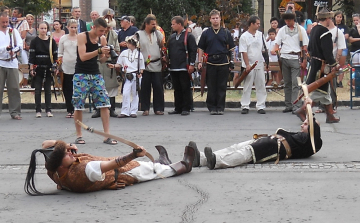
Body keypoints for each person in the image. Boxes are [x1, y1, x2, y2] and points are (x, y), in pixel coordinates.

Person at [190, 97, 322, 170]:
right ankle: (201, 159)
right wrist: (306, 105)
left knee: (246, 153)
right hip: (271, 141)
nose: (301, 125)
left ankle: (216, 162)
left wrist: (310, 107)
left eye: (305, 124)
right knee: (236, 147)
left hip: (276, 148)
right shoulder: (304, 137)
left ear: (313, 128)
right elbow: (300, 113)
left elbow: (313, 131)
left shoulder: (311, 143)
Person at [24, 139, 195, 195]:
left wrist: (65, 145)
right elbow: (114, 164)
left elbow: (45, 144)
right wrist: (134, 154)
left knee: (151, 165)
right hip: (125, 171)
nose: (71, 153)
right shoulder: (83, 172)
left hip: (109, 165)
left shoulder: (52, 169)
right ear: (60, 164)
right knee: (156, 170)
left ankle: (161, 161)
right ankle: (185, 165)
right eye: (66, 154)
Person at [72, 18, 117, 145]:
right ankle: (79, 135)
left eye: (104, 31)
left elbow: (101, 61)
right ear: (94, 27)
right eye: (101, 30)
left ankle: (106, 135)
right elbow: (83, 57)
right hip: (81, 73)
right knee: (78, 105)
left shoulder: (102, 39)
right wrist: (99, 51)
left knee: (104, 103)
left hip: (95, 73)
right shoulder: (82, 36)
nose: (102, 33)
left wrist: (107, 55)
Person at [295, 8, 340, 124]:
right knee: (318, 90)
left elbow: (309, 48)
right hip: (321, 66)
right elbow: (327, 52)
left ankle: (330, 115)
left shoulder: (314, 30)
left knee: (324, 91)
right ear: (328, 19)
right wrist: (334, 64)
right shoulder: (325, 32)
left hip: (315, 64)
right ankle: (302, 110)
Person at [197, 9, 235, 115]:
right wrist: (200, 61)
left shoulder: (226, 33)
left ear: (220, 19)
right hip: (210, 62)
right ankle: (212, 107)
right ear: (210, 20)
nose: (215, 20)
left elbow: (232, 49)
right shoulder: (206, 33)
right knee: (211, 86)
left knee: (222, 86)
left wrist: (232, 61)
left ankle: (220, 107)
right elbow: (200, 48)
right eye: (213, 18)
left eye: (217, 18)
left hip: (223, 62)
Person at [271, 7, 308, 113]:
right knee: (287, 82)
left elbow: (305, 47)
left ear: (293, 19)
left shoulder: (301, 30)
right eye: (286, 20)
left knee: (295, 83)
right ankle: (288, 105)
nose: (287, 21)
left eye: (289, 20)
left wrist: (304, 60)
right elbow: (277, 44)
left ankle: (295, 105)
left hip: (295, 57)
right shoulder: (282, 30)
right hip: (284, 57)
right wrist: (275, 50)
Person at [92, 11, 120, 118]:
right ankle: (97, 109)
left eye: (108, 27)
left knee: (111, 87)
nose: (107, 30)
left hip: (109, 64)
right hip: (98, 62)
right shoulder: (95, 35)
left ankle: (111, 108)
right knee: (97, 87)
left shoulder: (114, 35)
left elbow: (117, 49)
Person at [108, 35, 144, 118]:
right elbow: (119, 64)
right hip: (127, 76)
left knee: (135, 93)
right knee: (125, 93)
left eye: (130, 43)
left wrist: (140, 73)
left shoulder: (139, 54)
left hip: (136, 75)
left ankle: (133, 111)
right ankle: (125, 111)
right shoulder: (124, 53)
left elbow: (142, 67)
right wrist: (113, 66)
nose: (128, 44)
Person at [167, 16, 197, 116]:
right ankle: (178, 107)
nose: (172, 26)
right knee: (177, 88)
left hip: (184, 66)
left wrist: (192, 64)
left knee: (185, 87)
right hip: (174, 66)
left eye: (173, 24)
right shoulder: (172, 37)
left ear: (180, 24)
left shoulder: (189, 36)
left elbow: (193, 51)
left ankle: (186, 108)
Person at [239, 15, 267, 115]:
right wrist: (247, 65)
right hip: (249, 64)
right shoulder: (244, 36)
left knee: (261, 85)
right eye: (257, 23)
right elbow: (243, 51)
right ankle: (245, 105)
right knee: (247, 86)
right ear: (252, 24)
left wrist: (265, 62)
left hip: (259, 63)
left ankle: (261, 105)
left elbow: (263, 49)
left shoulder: (260, 35)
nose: (259, 25)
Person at [137, 16, 165, 116]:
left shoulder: (158, 34)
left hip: (156, 64)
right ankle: (145, 108)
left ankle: (158, 108)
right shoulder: (138, 34)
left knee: (158, 87)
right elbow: (133, 46)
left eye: (155, 24)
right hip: (145, 65)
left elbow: (162, 46)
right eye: (153, 24)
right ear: (146, 24)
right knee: (145, 87)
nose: (155, 26)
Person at [29, 22, 57, 118]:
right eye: (41, 28)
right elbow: (31, 56)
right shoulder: (34, 41)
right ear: (38, 29)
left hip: (48, 68)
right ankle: (38, 110)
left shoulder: (51, 41)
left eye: (45, 28)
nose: (43, 30)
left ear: (47, 29)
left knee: (48, 90)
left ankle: (48, 110)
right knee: (37, 90)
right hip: (38, 68)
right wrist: (31, 68)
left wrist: (55, 67)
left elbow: (55, 56)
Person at [0, 12, 23, 120]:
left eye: (6, 22)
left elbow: (20, 45)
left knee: (14, 88)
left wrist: (13, 51)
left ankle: (15, 112)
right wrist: (5, 48)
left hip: (12, 62)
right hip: (0, 62)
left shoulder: (13, 32)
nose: (5, 24)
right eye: (2, 22)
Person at [58, 19, 78, 118]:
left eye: (75, 27)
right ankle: (69, 109)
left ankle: (76, 109)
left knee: (76, 89)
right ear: (68, 27)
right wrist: (59, 64)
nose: (73, 29)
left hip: (77, 66)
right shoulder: (63, 38)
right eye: (72, 27)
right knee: (67, 88)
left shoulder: (80, 38)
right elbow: (60, 52)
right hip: (66, 66)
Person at [334, 11, 350, 87]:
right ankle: (334, 80)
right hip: (334, 48)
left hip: (343, 47)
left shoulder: (344, 27)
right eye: (338, 17)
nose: (339, 18)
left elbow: (346, 36)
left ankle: (340, 81)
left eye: (340, 17)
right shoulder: (332, 26)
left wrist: (339, 37)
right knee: (334, 64)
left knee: (341, 65)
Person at [22, 13, 36, 88]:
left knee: (33, 65)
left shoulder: (35, 30)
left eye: (31, 19)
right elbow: (23, 38)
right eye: (28, 19)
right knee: (25, 64)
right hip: (25, 49)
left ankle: (33, 82)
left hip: (33, 49)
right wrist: (25, 46)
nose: (30, 21)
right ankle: (24, 83)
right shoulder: (24, 29)